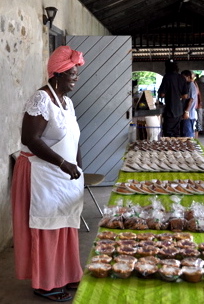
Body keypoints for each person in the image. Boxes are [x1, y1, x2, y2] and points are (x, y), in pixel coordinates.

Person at [11, 46, 85, 302]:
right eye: (72, 75)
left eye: (76, 74)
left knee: (64, 223)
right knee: (46, 227)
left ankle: (67, 273)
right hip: (39, 174)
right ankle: (45, 283)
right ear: (57, 75)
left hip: (60, 175)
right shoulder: (41, 99)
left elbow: (75, 137)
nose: (76, 79)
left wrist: (78, 165)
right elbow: (30, 139)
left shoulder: (67, 101)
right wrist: (64, 164)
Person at [158, 59, 188, 137]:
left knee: (168, 133)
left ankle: (169, 148)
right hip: (179, 110)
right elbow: (185, 96)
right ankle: (176, 148)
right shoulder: (182, 78)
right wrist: (177, 96)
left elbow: (162, 94)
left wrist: (171, 95)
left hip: (170, 110)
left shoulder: (167, 77)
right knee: (176, 132)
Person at [180, 70, 198, 138]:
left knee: (187, 135)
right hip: (188, 113)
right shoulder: (187, 85)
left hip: (188, 114)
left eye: (183, 77)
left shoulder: (190, 85)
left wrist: (186, 112)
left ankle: (190, 147)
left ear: (188, 77)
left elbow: (191, 99)